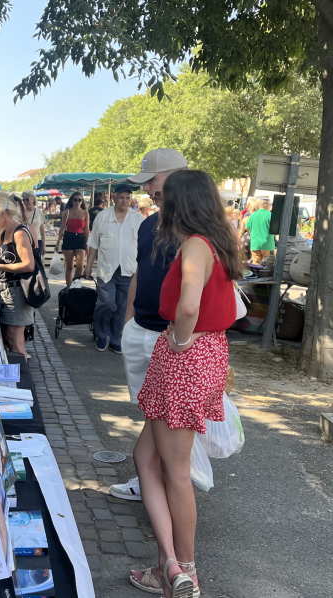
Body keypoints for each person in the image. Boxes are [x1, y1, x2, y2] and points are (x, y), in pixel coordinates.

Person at [132, 170, 242, 598]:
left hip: (186, 360)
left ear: (180, 204)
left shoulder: (195, 245)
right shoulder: (217, 242)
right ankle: (170, 564)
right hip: (204, 357)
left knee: (175, 472)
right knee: (146, 457)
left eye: (163, 200)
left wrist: (179, 339)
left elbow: (189, 305)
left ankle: (185, 571)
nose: (159, 206)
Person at [112, 148, 189, 507]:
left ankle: (158, 484)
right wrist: (129, 321)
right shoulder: (149, 224)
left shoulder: (195, 228)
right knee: (149, 410)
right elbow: (141, 272)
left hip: (170, 335)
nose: (147, 190)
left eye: (152, 182)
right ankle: (152, 481)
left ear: (173, 177)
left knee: (163, 415)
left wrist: (180, 337)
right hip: (143, 328)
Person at [85, 183, 144, 353]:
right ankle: (101, 334)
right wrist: (88, 266)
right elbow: (94, 244)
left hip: (129, 269)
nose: (125, 201)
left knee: (123, 307)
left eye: (128, 198)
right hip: (107, 269)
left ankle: (116, 338)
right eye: (121, 198)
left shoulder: (138, 218)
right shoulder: (102, 217)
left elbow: (144, 245)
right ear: (114, 198)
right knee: (108, 303)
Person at [0, 192, 35, 355]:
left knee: (16, 343)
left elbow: (29, 265)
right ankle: (19, 377)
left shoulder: (19, 232)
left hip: (17, 291)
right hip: (8, 290)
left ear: (2, 213)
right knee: (11, 338)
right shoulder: (5, 232)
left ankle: (22, 379)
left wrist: (1, 267)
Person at [55, 192, 90, 286]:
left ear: (82, 201)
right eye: (75, 199)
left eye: (79, 200)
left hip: (80, 238)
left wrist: (88, 244)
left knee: (80, 266)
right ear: (72, 200)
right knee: (69, 266)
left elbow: (86, 229)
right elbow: (62, 228)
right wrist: (58, 242)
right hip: (69, 237)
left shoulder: (85, 213)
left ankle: (76, 285)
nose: (77, 202)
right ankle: (69, 287)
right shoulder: (67, 212)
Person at [243, 199, 274, 264]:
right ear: (266, 205)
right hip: (267, 243)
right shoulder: (270, 215)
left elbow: (247, 227)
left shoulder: (253, 215)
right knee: (266, 264)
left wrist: (252, 234)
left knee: (256, 263)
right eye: (270, 205)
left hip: (255, 243)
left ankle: (256, 274)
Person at [22, 190, 46, 255]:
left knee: (36, 263)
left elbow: (42, 231)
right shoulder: (20, 213)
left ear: (33, 199)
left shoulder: (39, 212)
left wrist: (43, 246)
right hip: (24, 241)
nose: (25, 202)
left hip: (37, 242)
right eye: (23, 200)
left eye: (27, 199)